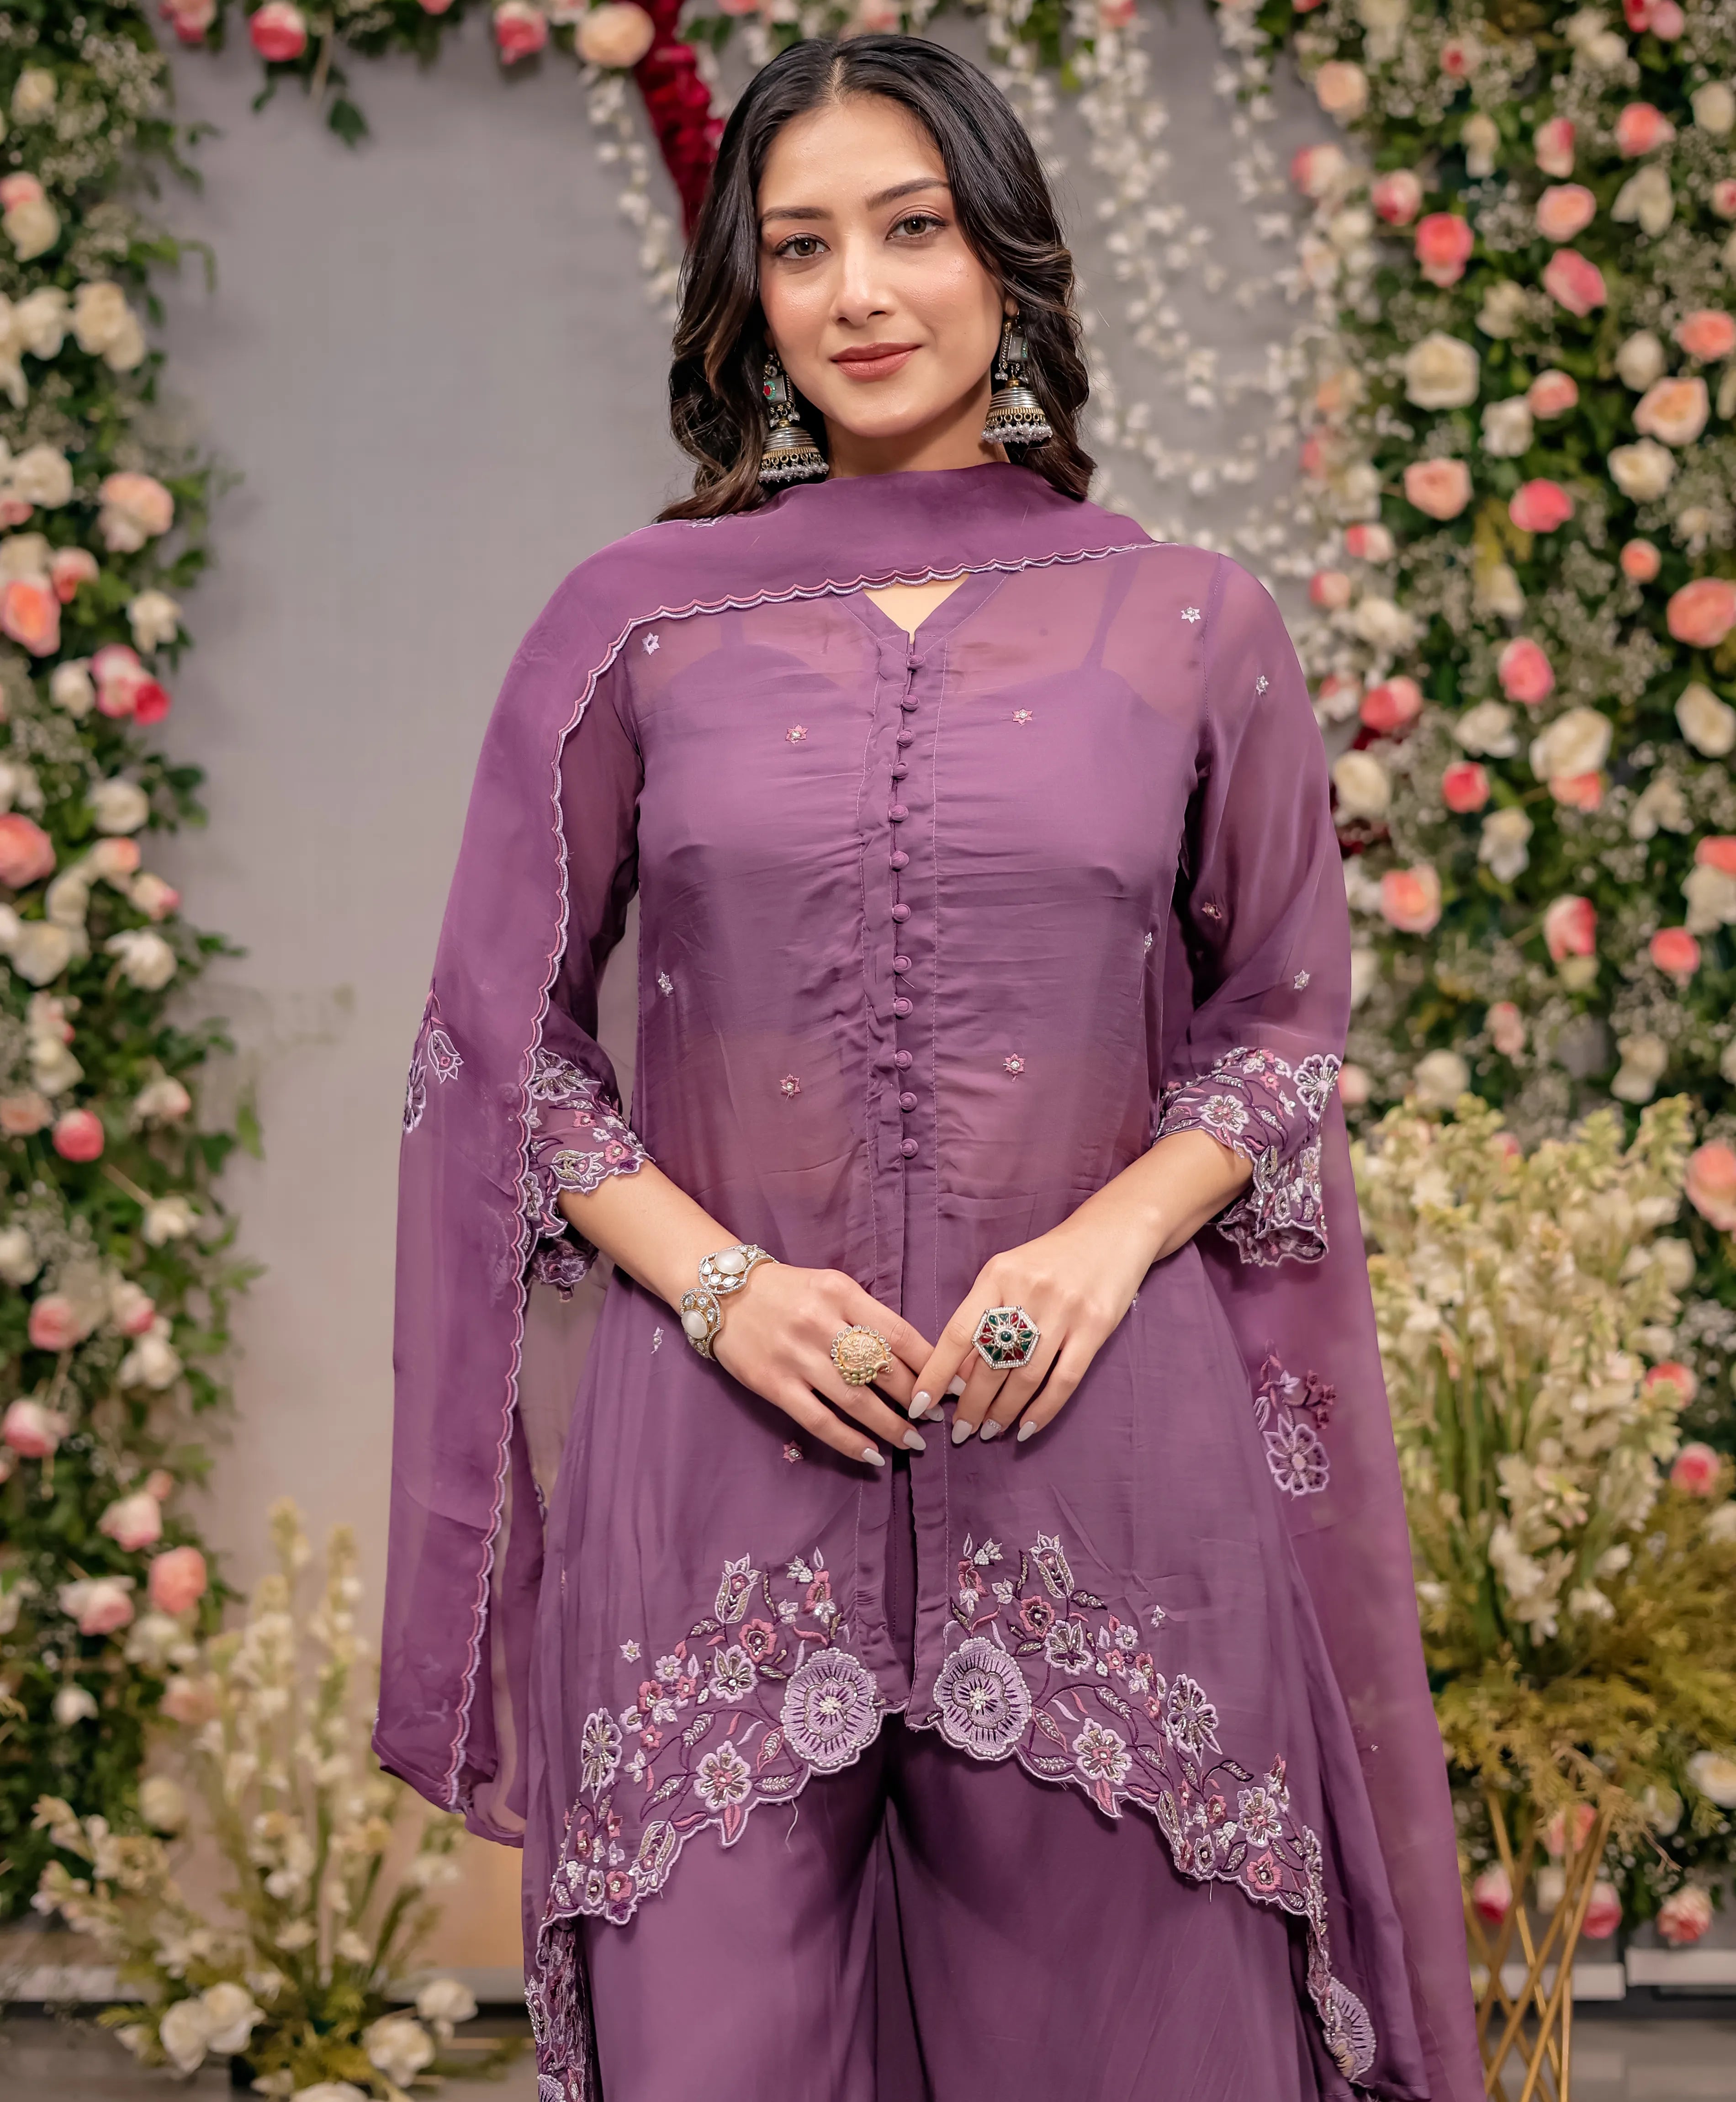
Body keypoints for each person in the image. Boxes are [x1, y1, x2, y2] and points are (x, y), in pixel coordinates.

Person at [376, 33, 1480, 2102]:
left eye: (910, 229)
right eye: (799, 247)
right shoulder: (627, 631)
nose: (858, 292)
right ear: (747, 298)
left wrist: (1096, 1248)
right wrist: (720, 1283)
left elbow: (1281, 1024)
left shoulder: (1183, 618)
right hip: (713, 1461)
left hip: (1103, 1458)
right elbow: (494, 1043)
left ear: (1006, 258)